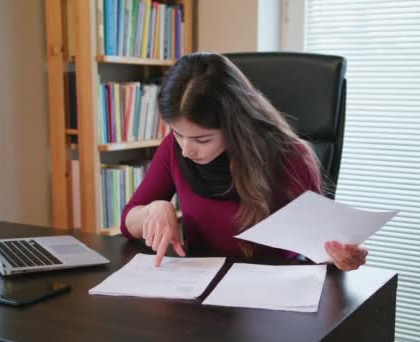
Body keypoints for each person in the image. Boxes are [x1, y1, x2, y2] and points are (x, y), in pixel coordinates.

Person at [120, 52, 367, 271]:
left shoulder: (291, 156)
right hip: (200, 291)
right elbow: (127, 223)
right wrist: (153, 210)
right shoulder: (174, 148)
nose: (186, 150)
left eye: (202, 139)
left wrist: (340, 256)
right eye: (177, 133)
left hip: (272, 296)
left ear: (235, 125)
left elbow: (318, 247)